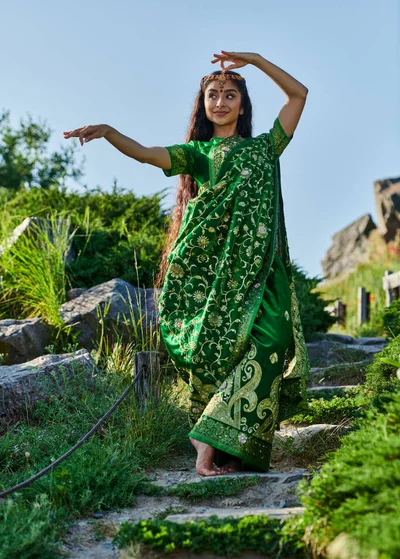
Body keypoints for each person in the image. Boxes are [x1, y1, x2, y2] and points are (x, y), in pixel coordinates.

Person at [63, 50, 311, 477]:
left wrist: (254, 60)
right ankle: (210, 446)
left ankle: (215, 437)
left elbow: (298, 95)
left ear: (242, 104)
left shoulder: (266, 148)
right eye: (213, 95)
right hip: (220, 275)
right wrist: (109, 132)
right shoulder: (200, 153)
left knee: (275, 341)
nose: (220, 102)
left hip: (264, 274)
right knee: (226, 352)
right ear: (204, 105)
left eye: (229, 95)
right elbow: (145, 153)